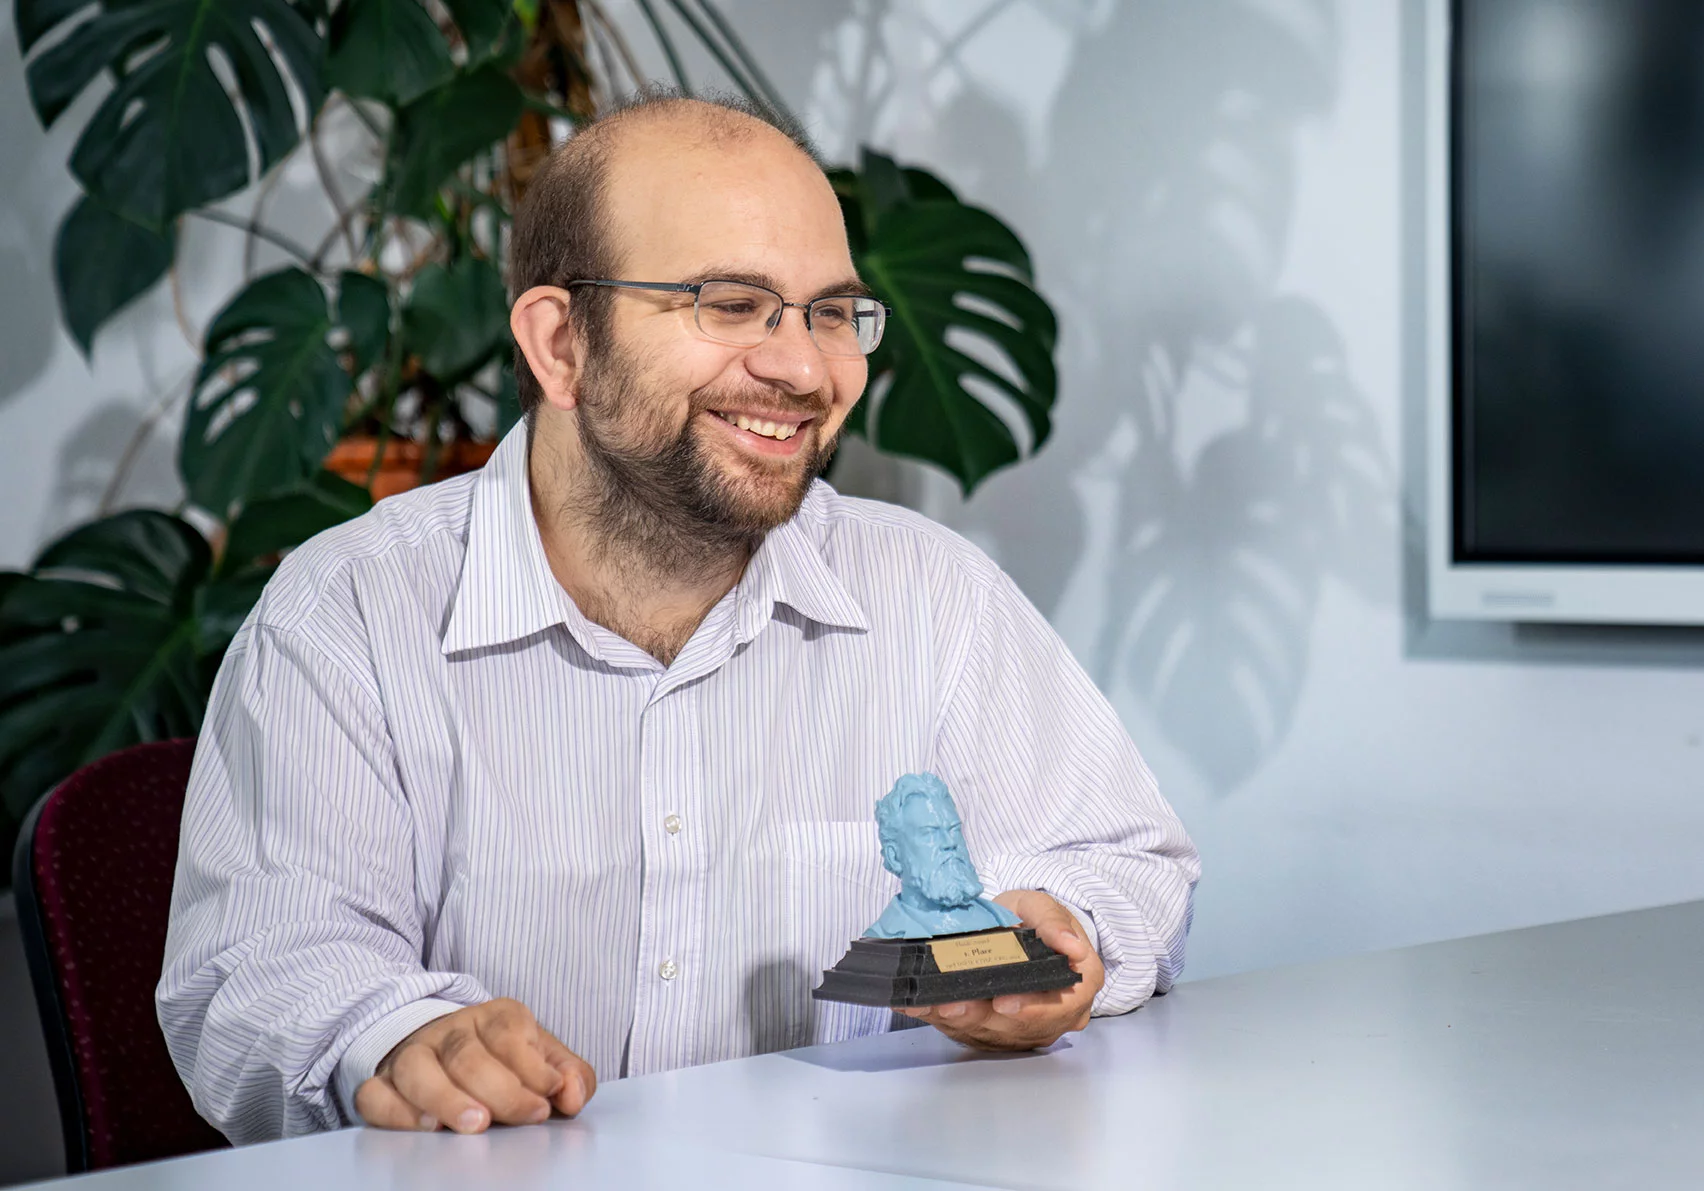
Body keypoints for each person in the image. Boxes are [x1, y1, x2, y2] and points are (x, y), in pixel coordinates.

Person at [156, 91, 1199, 1144]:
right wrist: (397, 1038)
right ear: (561, 344)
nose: (802, 368)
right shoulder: (348, 615)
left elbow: (1127, 864)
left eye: (831, 312)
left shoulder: (934, 595)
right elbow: (262, 970)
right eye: (731, 303)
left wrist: (1065, 931)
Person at [865, 773, 1023, 939]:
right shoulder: (886, 936)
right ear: (895, 857)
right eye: (930, 833)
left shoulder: (1000, 918)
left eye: (954, 830)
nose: (949, 842)